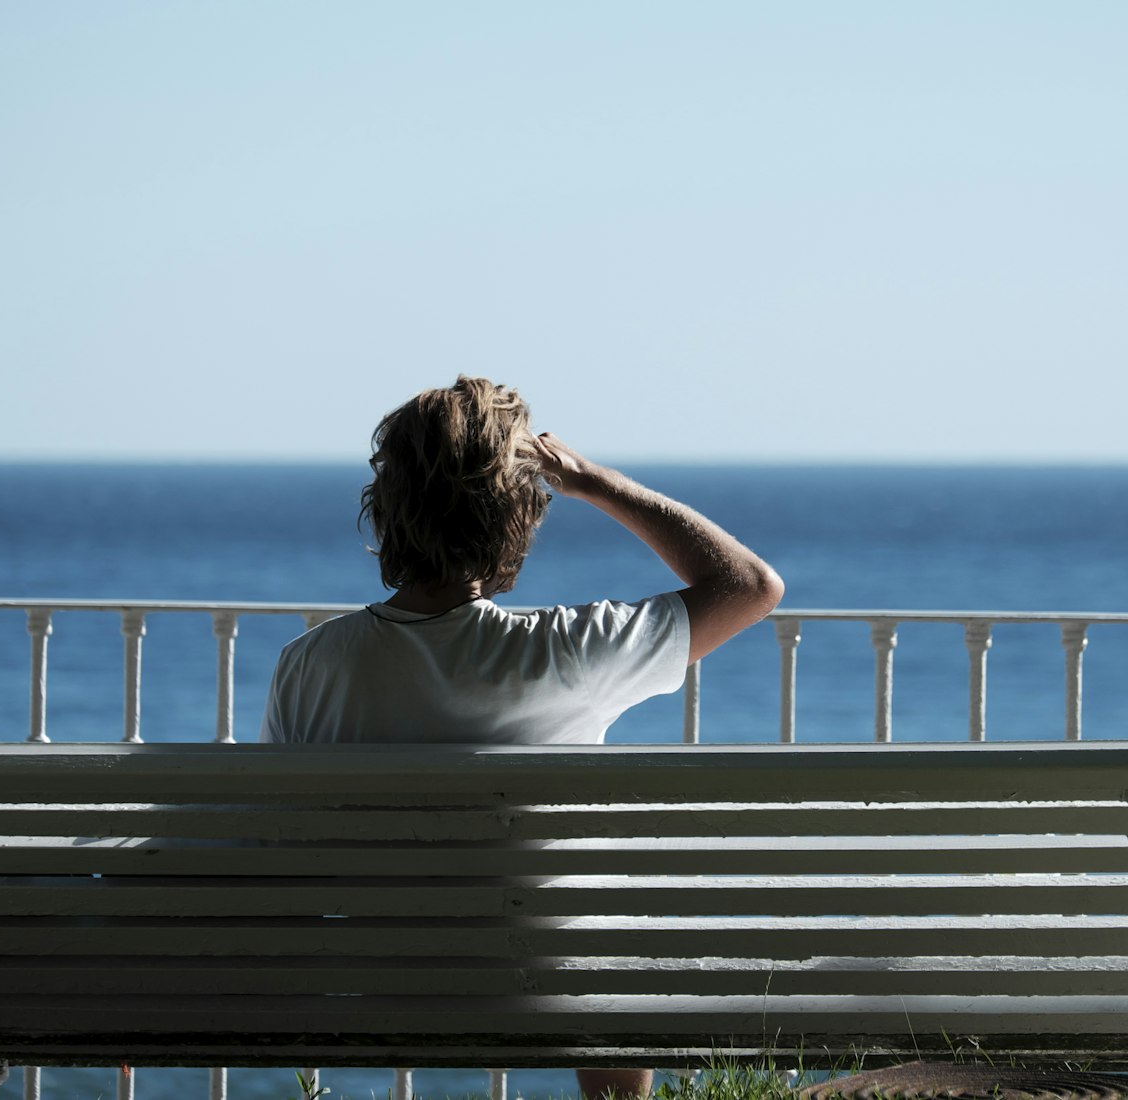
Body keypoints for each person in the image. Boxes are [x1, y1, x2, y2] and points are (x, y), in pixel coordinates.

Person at [260, 375, 784, 1099]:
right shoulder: (565, 653)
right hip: (542, 990)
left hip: (366, 985)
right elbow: (750, 585)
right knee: (604, 952)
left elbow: (277, 853)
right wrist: (597, 484)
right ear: (516, 515)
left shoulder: (309, 665)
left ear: (386, 509)